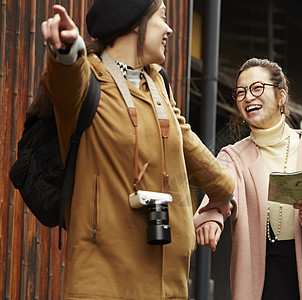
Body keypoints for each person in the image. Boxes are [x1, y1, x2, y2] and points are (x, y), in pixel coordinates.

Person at [39, 0, 234, 299]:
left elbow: (187, 142)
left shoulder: (157, 81)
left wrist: (225, 192)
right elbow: (66, 79)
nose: (170, 28)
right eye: (163, 17)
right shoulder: (90, 80)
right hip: (106, 281)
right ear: (133, 22)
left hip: (170, 280)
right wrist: (67, 51)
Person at [194, 58, 302, 299]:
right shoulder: (233, 156)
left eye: (257, 88)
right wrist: (210, 218)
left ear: (281, 97)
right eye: (240, 92)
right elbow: (222, 189)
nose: (248, 97)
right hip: (261, 275)